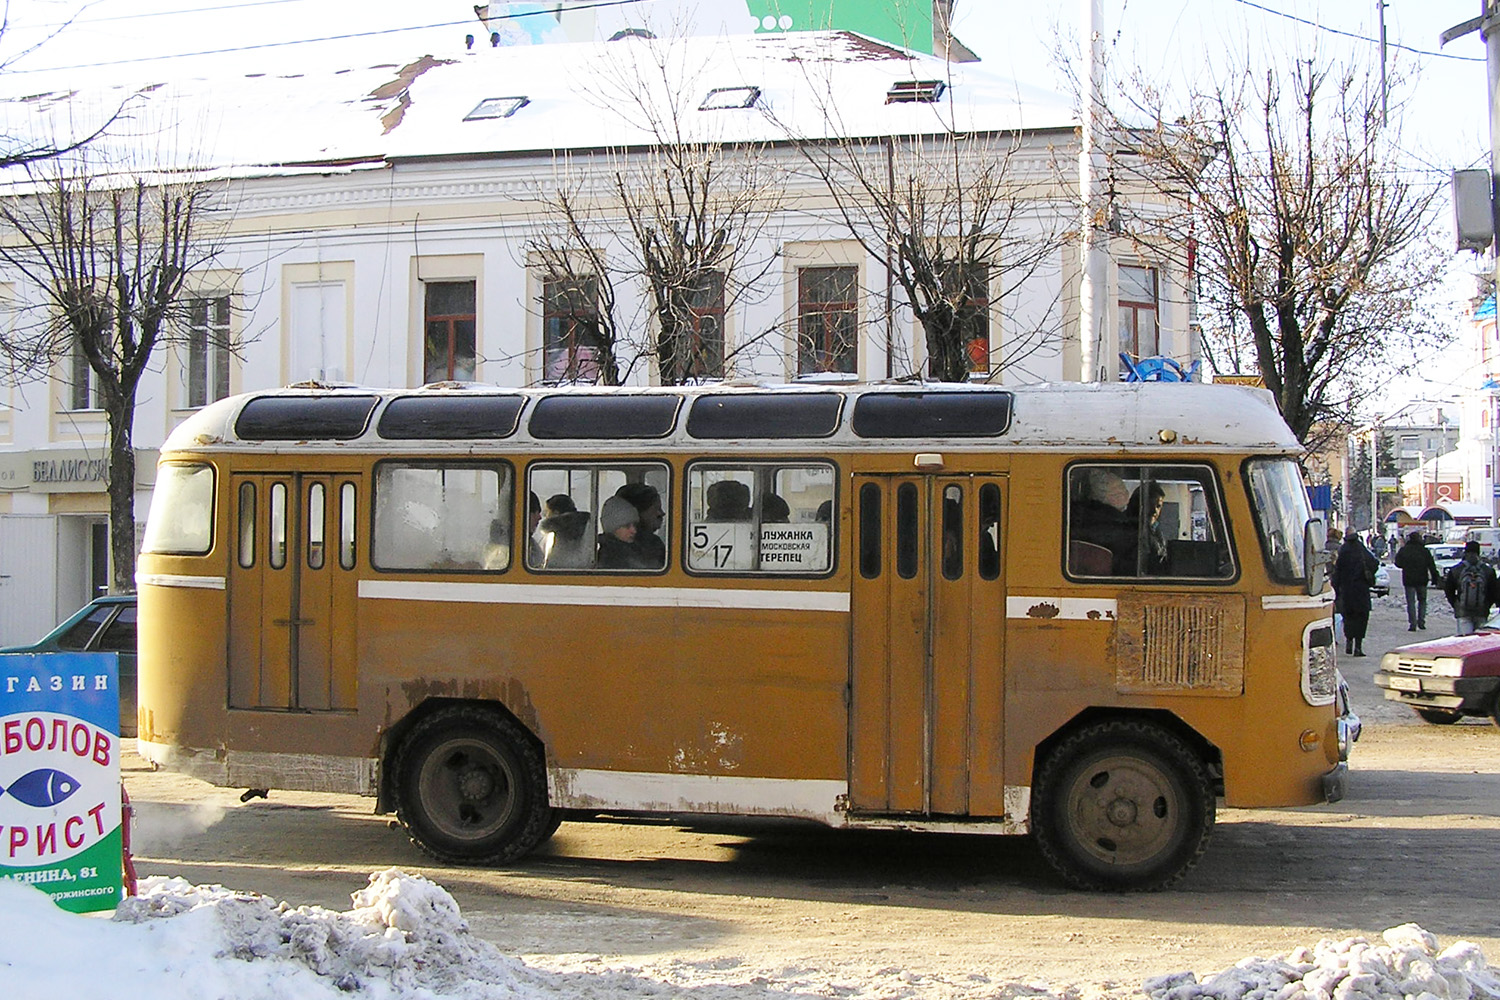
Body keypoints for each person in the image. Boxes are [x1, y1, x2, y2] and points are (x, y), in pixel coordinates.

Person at [1070, 469, 1135, 575]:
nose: (1125, 493)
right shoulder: (1117, 526)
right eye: (1117, 491)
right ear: (1101, 496)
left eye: (1123, 488)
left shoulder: (1080, 517)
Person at [1332, 532, 1378, 656]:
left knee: (1348, 617)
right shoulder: (1362, 550)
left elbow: (1337, 572)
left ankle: (1349, 641)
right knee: (1361, 618)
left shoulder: (1343, 551)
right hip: (1361, 590)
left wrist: (1336, 589)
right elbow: (1375, 563)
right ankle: (1358, 647)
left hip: (1347, 590)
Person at [1443, 540, 1500, 635]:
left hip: (1463, 611)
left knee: (1465, 639)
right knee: (1480, 639)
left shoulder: (1456, 569)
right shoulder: (1487, 570)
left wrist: (1456, 604)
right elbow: (1493, 592)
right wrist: (1487, 605)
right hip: (1481, 611)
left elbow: (1449, 590)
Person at [1393, 531, 1441, 631]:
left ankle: (1412, 623)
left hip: (1408, 579)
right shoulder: (1424, 551)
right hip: (1422, 579)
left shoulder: (1404, 550)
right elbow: (1431, 565)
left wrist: (1406, 565)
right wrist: (1435, 577)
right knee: (1422, 601)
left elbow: (1397, 563)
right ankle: (1421, 621)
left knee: (1411, 602)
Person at [614, 482, 666, 568]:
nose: (662, 514)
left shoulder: (649, 543)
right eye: (656, 509)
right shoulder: (650, 546)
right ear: (636, 513)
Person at [596, 495, 651, 569]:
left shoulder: (635, 549)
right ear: (613, 529)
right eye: (627, 526)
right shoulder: (610, 558)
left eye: (634, 525)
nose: (634, 531)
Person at [1124, 483, 1168, 575]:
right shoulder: (1127, 529)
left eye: (1158, 506)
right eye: (1149, 505)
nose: (1154, 511)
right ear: (1138, 505)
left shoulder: (1156, 531)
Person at [539, 494, 592, 569]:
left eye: (547, 512)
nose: (545, 516)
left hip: (557, 571)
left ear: (556, 513)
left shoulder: (554, 532)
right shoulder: (587, 526)